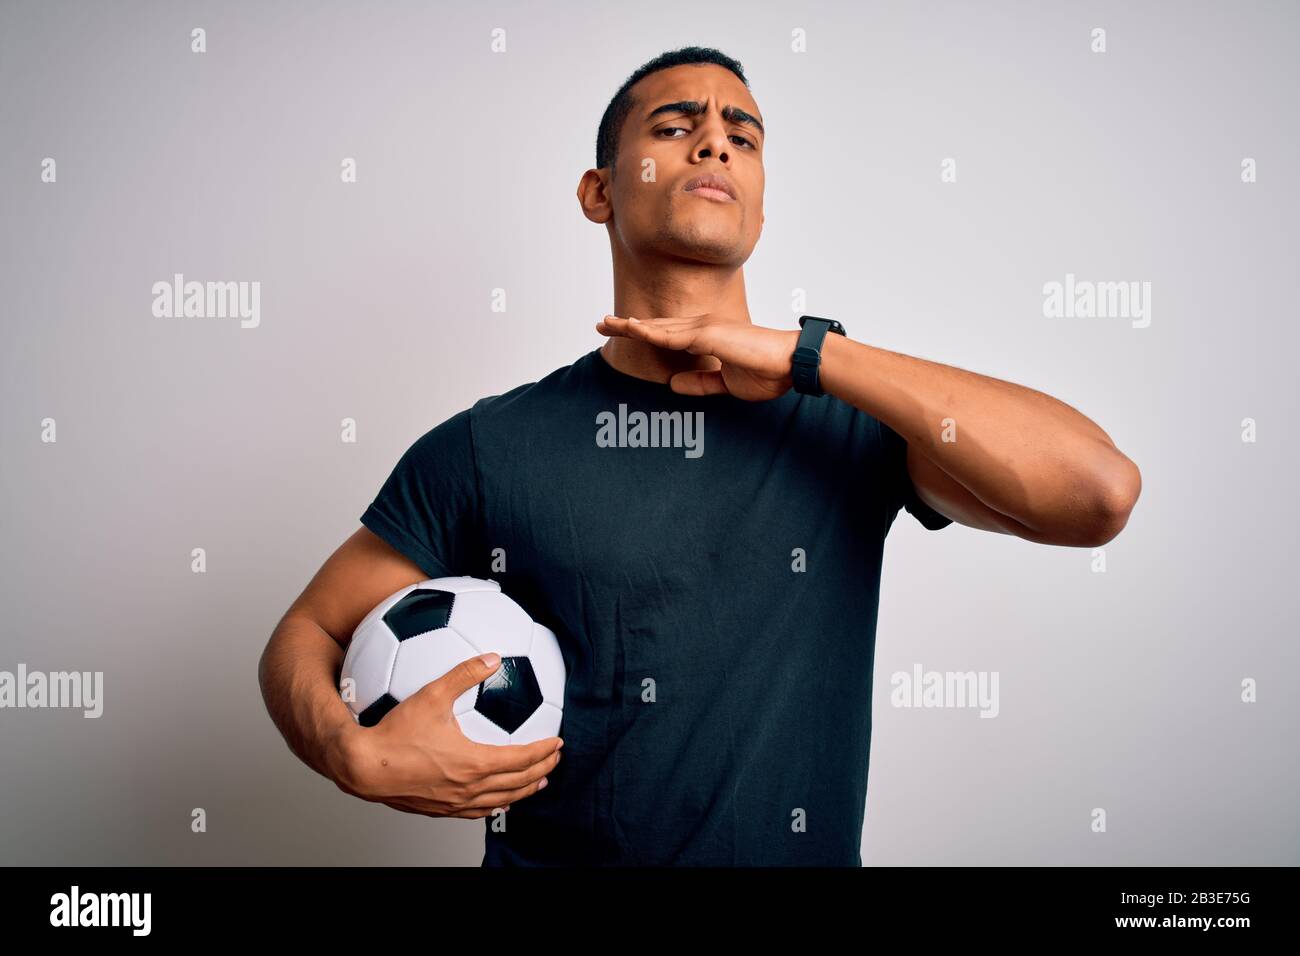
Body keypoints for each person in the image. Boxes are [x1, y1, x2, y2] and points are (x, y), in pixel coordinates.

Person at [258, 46, 1141, 866]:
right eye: (676, 127)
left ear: (759, 198)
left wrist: (812, 355)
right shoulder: (491, 446)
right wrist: (349, 753)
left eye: (742, 136)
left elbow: (1098, 491)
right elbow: (308, 630)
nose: (716, 142)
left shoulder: (846, 423)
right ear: (601, 192)